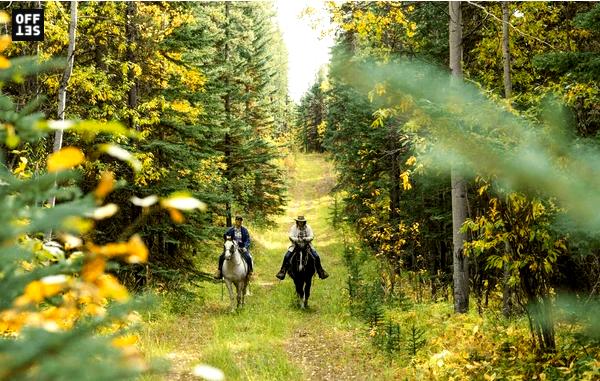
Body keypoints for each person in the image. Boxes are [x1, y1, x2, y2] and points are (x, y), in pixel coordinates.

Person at [275, 216, 329, 280]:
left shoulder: (308, 227)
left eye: (302, 222)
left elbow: (311, 236)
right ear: (297, 221)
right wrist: (297, 239)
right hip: (295, 245)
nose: (301, 223)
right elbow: (290, 236)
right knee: (287, 256)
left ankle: (320, 271)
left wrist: (305, 239)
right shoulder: (293, 227)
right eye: (299, 222)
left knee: (316, 256)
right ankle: (282, 271)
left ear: (304, 222)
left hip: (307, 245)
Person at [215, 215, 253, 279]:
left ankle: (249, 271)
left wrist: (245, 247)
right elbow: (225, 237)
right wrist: (227, 239)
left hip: (241, 247)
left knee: (248, 257)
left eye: (240, 220)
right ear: (235, 221)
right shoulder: (230, 230)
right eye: (238, 220)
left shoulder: (244, 230)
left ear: (241, 222)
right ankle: (219, 271)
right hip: (232, 247)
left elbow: (247, 240)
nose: (239, 222)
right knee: (221, 256)